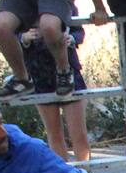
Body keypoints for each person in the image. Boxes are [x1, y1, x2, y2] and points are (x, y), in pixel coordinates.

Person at [22, 23, 91, 162]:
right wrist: (24, 38)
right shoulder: (24, 6)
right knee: (54, 134)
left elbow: (79, 31)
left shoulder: (62, 2)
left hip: (70, 75)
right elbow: (11, 33)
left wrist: (72, 38)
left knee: (79, 134)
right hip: (40, 76)